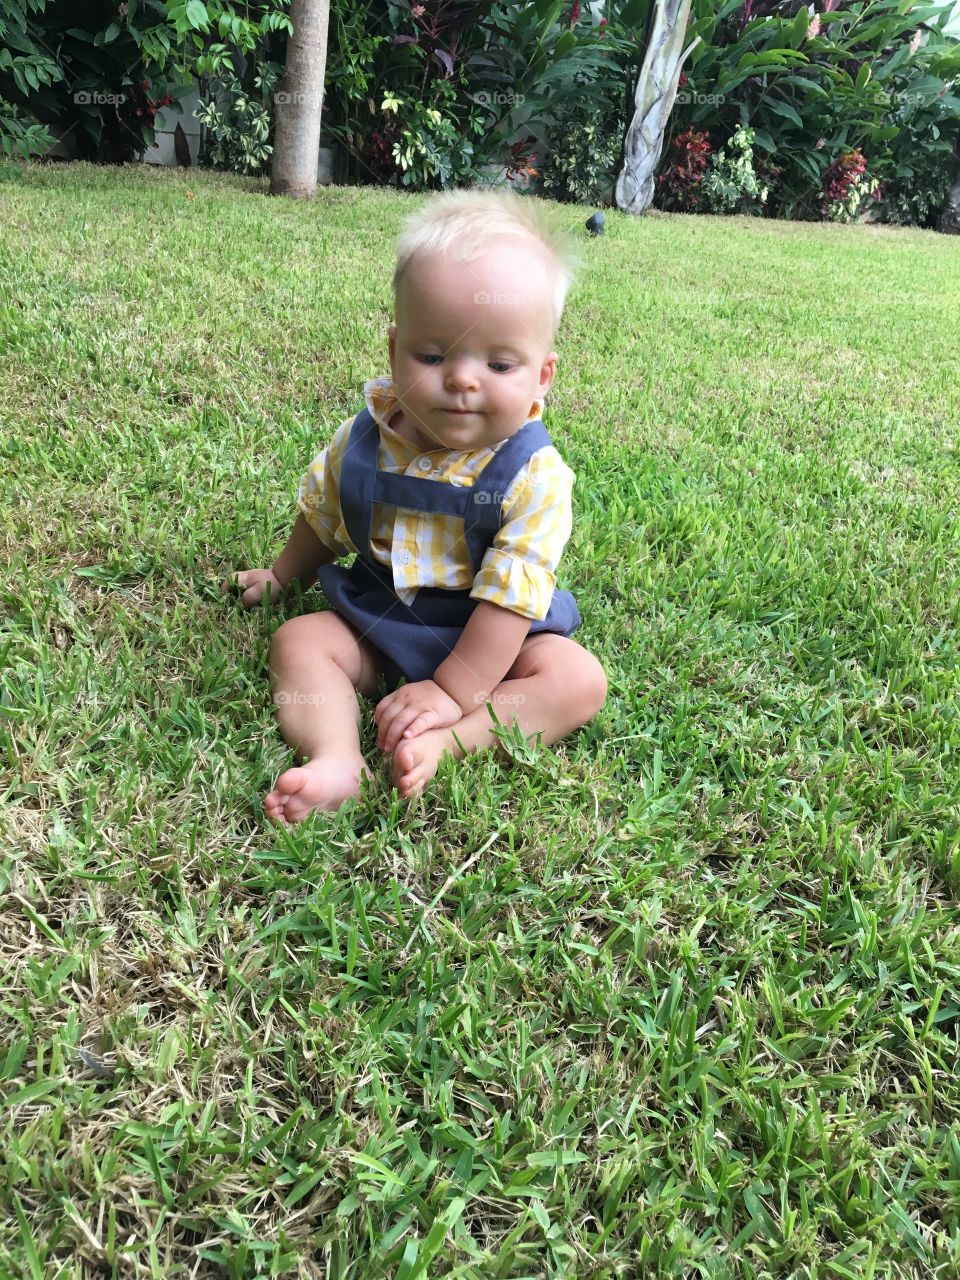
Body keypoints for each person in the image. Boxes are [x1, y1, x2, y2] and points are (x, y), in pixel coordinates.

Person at [222, 189, 607, 824]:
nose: (462, 379)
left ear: (542, 375)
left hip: (495, 641)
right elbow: (324, 517)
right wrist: (282, 575)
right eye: (432, 356)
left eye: (499, 363)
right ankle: (336, 758)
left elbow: (509, 603)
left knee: (577, 679)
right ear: (395, 351)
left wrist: (452, 693)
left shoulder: (535, 476)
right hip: (383, 618)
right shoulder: (366, 440)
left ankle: (452, 742)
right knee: (299, 640)